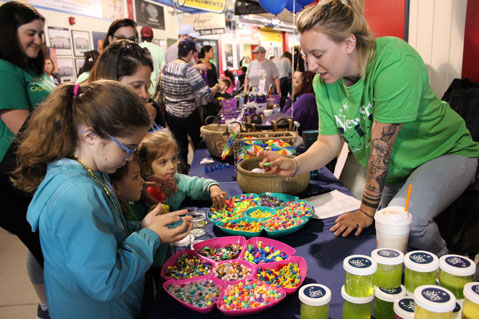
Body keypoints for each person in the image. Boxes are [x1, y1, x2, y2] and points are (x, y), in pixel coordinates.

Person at [259, 0, 479, 257]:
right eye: (307, 55)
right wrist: (295, 164)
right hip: (397, 170)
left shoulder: (393, 60)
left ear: (349, 43)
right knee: (387, 241)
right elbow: (328, 143)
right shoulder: (323, 83)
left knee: (408, 224)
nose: (310, 66)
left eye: (318, 55)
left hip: (446, 153)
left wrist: (365, 211)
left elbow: (381, 145)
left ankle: (449, 266)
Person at [12, 80, 193, 319]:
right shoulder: (76, 197)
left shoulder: (91, 173)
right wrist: (150, 237)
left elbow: (104, 236)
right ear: (90, 135)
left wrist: (141, 227)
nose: (129, 159)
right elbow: (106, 281)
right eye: (127, 148)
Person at [0, 2, 56, 318]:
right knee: (43, 243)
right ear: (10, 33)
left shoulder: (32, 69)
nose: (37, 40)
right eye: (30, 33)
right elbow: (23, 127)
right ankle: (53, 307)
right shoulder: (4, 69)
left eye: (40, 33)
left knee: (44, 242)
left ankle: (50, 304)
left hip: (39, 171)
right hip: (14, 178)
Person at [161, 38, 220, 173]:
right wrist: (216, 87)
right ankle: (201, 174)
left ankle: (182, 174)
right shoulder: (189, 70)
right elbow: (206, 94)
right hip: (189, 115)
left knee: (180, 148)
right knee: (200, 146)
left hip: (171, 115)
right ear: (192, 52)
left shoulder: (165, 68)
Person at [138, 131, 227, 211]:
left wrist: (213, 188)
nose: (172, 166)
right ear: (147, 165)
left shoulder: (178, 180)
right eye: (163, 162)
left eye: (174, 158)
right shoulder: (140, 190)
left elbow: (197, 184)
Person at [89, 40, 157, 124]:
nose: (144, 95)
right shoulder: (95, 122)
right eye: (136, 86)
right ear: (112, 80)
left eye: (147, 85)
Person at [282, 70, 318, 135]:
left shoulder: (306, 98)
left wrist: (291, 97)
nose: (294, 85)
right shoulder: (314, 97)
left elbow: (285, 119)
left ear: (304, 84)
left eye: (297, 82)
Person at [139, 26, 165, 96]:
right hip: (154, 90)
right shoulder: (160, 50)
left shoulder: (136, 48)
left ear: (141, 37)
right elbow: (163, 70)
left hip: (139, 89)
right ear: (152, 37)